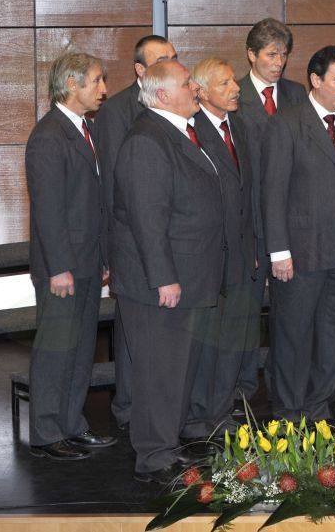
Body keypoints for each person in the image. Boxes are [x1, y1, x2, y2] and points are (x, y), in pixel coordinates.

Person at [111, 60, 225, 484]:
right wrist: (164, 277)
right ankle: (154, 457)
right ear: (162, 95)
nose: (195, 87)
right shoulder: (146, 140)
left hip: (189, 275)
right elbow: (147, 218)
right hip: (160, 283)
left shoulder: (178, 132)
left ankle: (166, 446)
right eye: (186, 82)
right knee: (159, 373)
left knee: (178, 371)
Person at [261, 45, 335, 422]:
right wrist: (279, 251)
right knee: (293, 336)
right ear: (315, 80)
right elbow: (273, 192)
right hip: (300, 253)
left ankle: (318, 406)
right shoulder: (287, 123)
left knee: (334, 335)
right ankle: (288, 410)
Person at [26, 52, 116, 461]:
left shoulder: (84, 129)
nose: (104, 89)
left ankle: (71, 425)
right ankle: (46, 434)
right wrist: (59, 267)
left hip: (87, 262)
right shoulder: (49, 135)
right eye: (96, 81)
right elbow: (48, 211)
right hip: (62, 267)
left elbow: (91, 202)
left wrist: (102, 256)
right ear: (71, 85)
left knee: (80, 351)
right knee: (56, 351)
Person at [92, 34, 177, 430]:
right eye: (161, 60)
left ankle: (154, 411)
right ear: (140, 70)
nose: (170, 63)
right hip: (129, 241)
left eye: (173, 57)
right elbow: (113, 186)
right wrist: (112, 252)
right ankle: (127, 410)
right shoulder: (117, 112)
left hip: (164, 240)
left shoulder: (172, 103)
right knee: (131, 334)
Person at [183, 58, 260, 441]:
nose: (236, 88)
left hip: (242, 254)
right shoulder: (190, 132)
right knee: (207, 343)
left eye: (234, 81)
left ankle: (221, 410)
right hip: (210, 258)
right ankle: (198, 416)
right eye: (225, 83)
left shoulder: (240, 127)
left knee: (233, 341)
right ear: (200, 91)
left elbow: (251, 193)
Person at [235, 18, 306, 414]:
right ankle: (242, 393)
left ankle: (285, 391)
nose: (278, 62)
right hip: (249, 225)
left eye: (283, 54)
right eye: (270, 54)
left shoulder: (297, 94)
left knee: (288, 316)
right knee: (246, 315)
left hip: (289, 226)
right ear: (251, 55)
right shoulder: (234, 94)